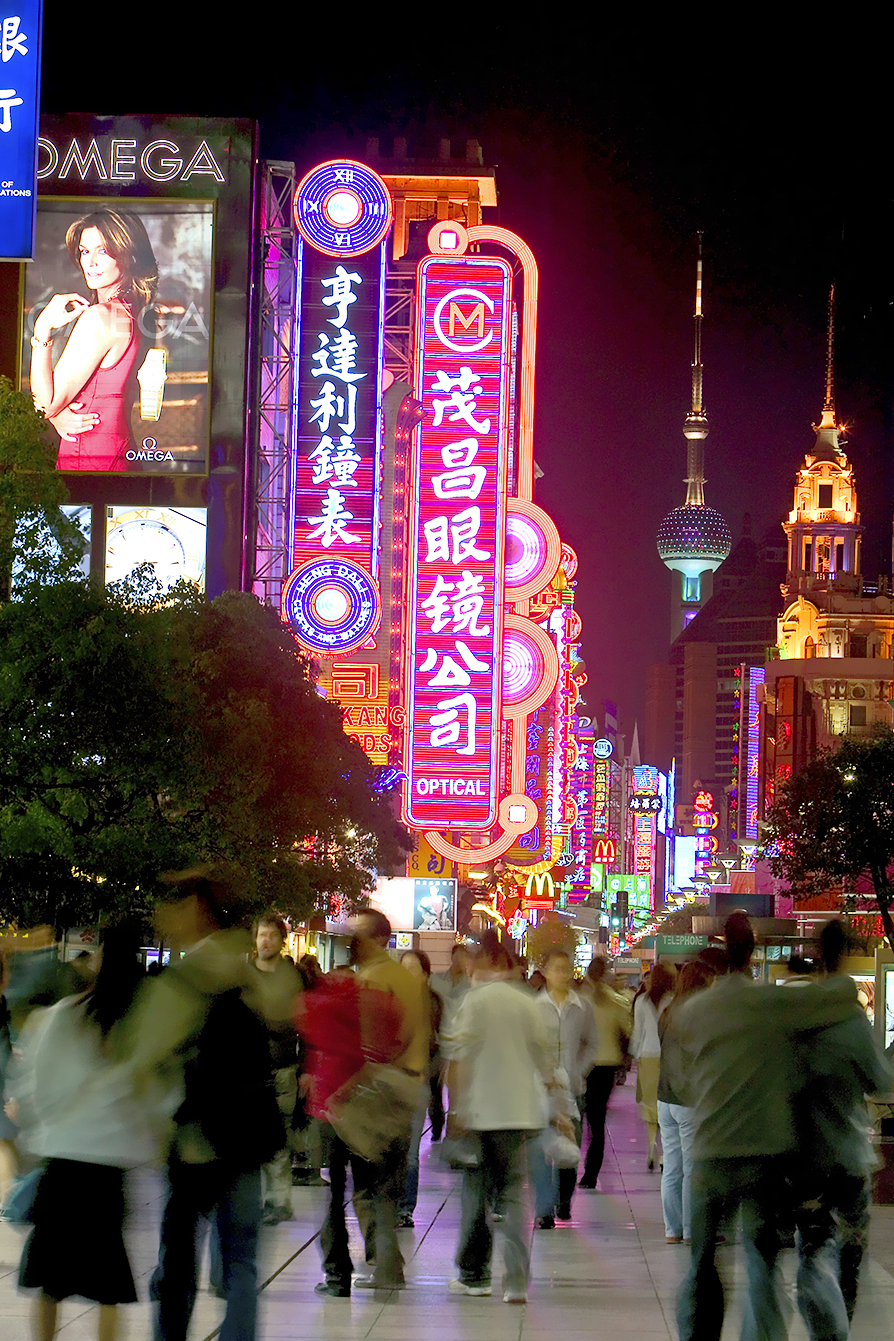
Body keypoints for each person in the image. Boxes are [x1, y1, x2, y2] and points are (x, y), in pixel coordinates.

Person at [671, 912, 865, 1341]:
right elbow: (835, 999)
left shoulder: (693, 1011)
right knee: (762, 1263)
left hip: (709, 1150)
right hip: (763, 1154)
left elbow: (684, 1074)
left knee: (702, 1263)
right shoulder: (768, 1005)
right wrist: (833, 963)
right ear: (753, 951)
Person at [133, 871, 284, 1341]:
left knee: (178, 1262)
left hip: (195, 1142)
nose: (161, 916)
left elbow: (141, 1060)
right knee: (240, 1260)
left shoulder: (180, 982)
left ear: (194, 910)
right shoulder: (252, 974)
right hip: (245, 1136)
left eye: (169, 905)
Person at [13, 923, 161, 1341]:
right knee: (109, 1284)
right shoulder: (136, 1027)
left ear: (99, 958)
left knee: (50, 1279)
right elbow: (151, 1097)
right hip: (109, 1168)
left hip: (64, 1160)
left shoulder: (64, 1014)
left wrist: (46, 1127)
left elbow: (39, 1083)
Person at [788, 919, 891, 1338]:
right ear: (846, 954)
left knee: (812, 1249)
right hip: (848, 1156)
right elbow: (880, 1082)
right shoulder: (852, 1020)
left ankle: (822, 1327)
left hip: (804, 1155)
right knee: (849, 1255)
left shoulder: (796, 1016)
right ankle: (837, 1326)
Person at [442, 935, 552, 1304]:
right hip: (519, 1113)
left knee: (476, 1195)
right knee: (513, 1194)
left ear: (488, 961)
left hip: (480, 1113)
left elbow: (458, 1059)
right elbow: (544, 1060)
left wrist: (455, 1110)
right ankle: (517, 1280)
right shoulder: (529, 1003)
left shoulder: (474, 1002)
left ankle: (475, 1276)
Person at [299, 965, 404, 1297]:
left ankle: (337, 1276)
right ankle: (383, 1259)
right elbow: (395, 1036)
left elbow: (302, 1024)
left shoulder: (318, 1004)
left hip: (328, 1110)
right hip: (363, 1110)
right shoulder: (372, 1003)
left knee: (332, 1197)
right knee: (371, 1190)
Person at [29, 206, 158, 470]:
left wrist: (42, 329)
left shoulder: (101, 317)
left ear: (129, 256)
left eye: (104, 251)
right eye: (85, 251)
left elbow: (45, 405)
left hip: (89, 456)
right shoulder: (137, 313)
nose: (90, 262)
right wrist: (57, 412)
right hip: (118, 453)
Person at [346, 910, 427, 1289]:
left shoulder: (375, 979)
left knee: (366, 1184)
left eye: (358, 935)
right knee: (387, 1183)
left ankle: (384, 1262)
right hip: (408, 1085)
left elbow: (370, 1039)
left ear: (379, 939)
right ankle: (388, 1264)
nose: (352, 942)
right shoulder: (406, 979)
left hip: (378, 1088)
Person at [530, 949, 597, 1227]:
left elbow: (592, 1044)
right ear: (545, 971)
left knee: (569, 1148)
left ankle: (564, 1201)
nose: (562, 974)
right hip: (542, 1090)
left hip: (573, 1089)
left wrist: (579, 1072)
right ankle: (544, 1209)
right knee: (543, 1148)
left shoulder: (581, 1007)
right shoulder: (535, 1006)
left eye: (566, 969)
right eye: (556, 969)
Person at [246, 914, 302, 1225]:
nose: (265, 940)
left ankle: (280, 1199)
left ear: (282, 940)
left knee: (279, 1136)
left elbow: (304, 1024)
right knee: (251, 1137)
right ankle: (258, 1198)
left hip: (282, 1068)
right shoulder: (244, 978)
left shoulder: (292, 979)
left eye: (271, 935)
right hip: (250, 1070)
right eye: (260, 935)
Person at [656, 959, 715, 1243]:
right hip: (688, 1098)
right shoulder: (700, 1014)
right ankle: (693, 1230)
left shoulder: (667, 1012)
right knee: (693, 1168)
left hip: (665, 1097)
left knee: (673, 1165)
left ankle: (672, 1229)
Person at [578, 957, 631, 1190]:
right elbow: (628, 1032)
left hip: (582, 1067)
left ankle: (569, 1168)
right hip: (607, 1065)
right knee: (597, 1124)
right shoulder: (617, 1001)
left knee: (577, 1120)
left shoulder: (580, 1001)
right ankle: (590, 1175)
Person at [398, 949, 442, 1227]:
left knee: (410, 1151)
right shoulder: (389, 1000)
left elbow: (440, 1047)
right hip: (389, 1083)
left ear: (425, 974)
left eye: (414, 968)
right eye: (404, 968)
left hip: (416, 1083)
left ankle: (405, 1208)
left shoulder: (433, 1005)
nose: (408, 974)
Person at [630, 961, 675, 1169]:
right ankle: (666, 1152)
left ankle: (651, 1145)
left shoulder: (641, 1001)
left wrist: (635, 1056)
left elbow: (638, 1032)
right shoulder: (673, 1000)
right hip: (669, 1056)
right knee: (667, 1102)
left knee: (650, 1103)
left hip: (647, 1055)